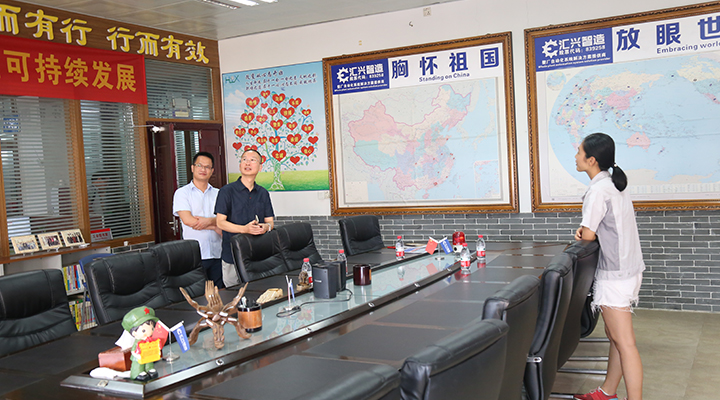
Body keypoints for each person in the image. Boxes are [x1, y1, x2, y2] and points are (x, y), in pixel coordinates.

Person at [573, 133, 644, 400]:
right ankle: (607, 392)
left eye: (579, 152)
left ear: (591, 160)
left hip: (615, 275)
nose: (576, 157)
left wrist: (582, 231)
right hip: (629, 269)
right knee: (615, 337)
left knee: (625, 343)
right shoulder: (614, 184)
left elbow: (589, 234)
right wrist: (586, 230)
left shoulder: (599, 190)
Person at [215, 149, 275, 287]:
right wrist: (244, 229)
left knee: (258, 290)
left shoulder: (263, 193)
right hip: (232, 255)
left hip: (258, 254)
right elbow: (220, 223)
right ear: (240, 165)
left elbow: (270, 222)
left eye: (252, 160)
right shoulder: (226, 191)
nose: (247, 163)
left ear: (260, 167)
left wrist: (266, 227)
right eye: (244, 159)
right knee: (234, 293)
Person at [173, 152, 224, 288]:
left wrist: (209, 222)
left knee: (220, 293)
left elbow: (225, 220)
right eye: (199, 165)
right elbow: (188, 220)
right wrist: (215, 224)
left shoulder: (219, 194)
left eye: (207, 167)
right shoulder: (182, 193)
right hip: (196, 255)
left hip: (218, 253)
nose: (203, 169)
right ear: (192, 168)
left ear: (212, 171)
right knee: (199, 294)